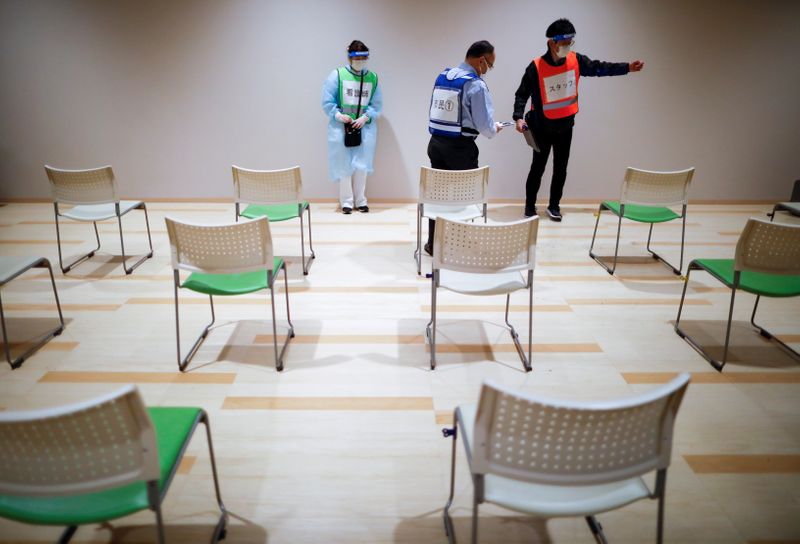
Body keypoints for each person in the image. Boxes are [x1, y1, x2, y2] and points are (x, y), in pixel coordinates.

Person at [513, 18, 644, 221]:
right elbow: (521, 94)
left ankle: (554, 206)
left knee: (561, 168)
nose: (567, 46)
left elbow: (600, 68)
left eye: (570, 42)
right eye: (563, 42)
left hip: (565, 126)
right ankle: (529, 207)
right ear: (551, 42)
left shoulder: (576, 61)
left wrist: (627, 67)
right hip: (541, 127)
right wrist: (518, 118)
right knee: (537, 168)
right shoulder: (536, 67)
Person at [424, 40, 503, 255]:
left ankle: (434, 244)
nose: (489, 70)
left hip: (436, 145)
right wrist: (495, 128)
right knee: (464, 199)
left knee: (436, 199)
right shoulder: (475, 85)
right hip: (461, 150)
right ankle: (460, 247)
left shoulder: (443, 76)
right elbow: (485, 126)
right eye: (490, 65)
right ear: (481, 61)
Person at [322, 40, 383, 214]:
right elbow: (327, 101)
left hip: (365, 129)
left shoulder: (372, 78)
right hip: (341, 128)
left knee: (362, 166)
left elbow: (376, 104)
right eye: (357, 58)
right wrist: (338, 115)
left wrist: (366, 117)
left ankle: (361, 200)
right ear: (349, 57)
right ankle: (346, 202)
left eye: (364, 58)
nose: (360, 61)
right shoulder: (338, 75)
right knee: (344, 166)